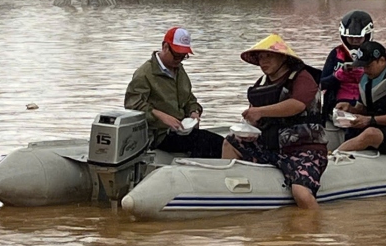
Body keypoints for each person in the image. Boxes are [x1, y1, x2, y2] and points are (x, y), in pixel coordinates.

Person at [223, 34, 326, 210]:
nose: (264, 62)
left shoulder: (302, 77)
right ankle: (231, 189)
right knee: (230, 142)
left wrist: (261, 111)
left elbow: (297, 105)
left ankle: (314, 231)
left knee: (301, 193)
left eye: (269, 56)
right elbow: (254, 117)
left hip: (304, 150)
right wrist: (249, 128)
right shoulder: (260, 85)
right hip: (272, 147)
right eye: (261, 57)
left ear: (283, 57)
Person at [124, 26, 224, 158]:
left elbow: (189, 99)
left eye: (183, 56)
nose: (179, 59)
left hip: (181, 131)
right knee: (215, 144)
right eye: (177, 55)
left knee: (221, 143)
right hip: (158, 135)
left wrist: (194, 112)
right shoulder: (144, 74)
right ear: (165, 46)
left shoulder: (179, 69)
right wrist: (162, 117)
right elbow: (132, 105)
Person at [319, 10, 374, 119]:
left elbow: (384, 84)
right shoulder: (336, 54)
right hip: (336, 111)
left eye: (359, 38)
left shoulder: (375, 54)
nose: (354, 41)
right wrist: (338, 75)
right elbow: (321, 85)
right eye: (351, 38)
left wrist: (364, 75)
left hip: (366, 113)